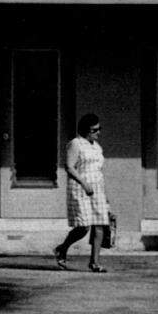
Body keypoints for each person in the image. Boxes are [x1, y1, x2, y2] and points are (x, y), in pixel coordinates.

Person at [54, 113, 111, 273]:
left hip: (97, 189)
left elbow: (99, 171)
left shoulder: (97, 147)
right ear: (86, 130)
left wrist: (105, 195)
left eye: (99, 129)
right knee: (83, 226)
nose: (98, 132)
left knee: (100, 225)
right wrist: (84, 183)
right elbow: (69, 166)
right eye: (95, 130)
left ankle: (95, 262)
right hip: (80, 188)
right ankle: (62, 248)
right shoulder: (76, 144)